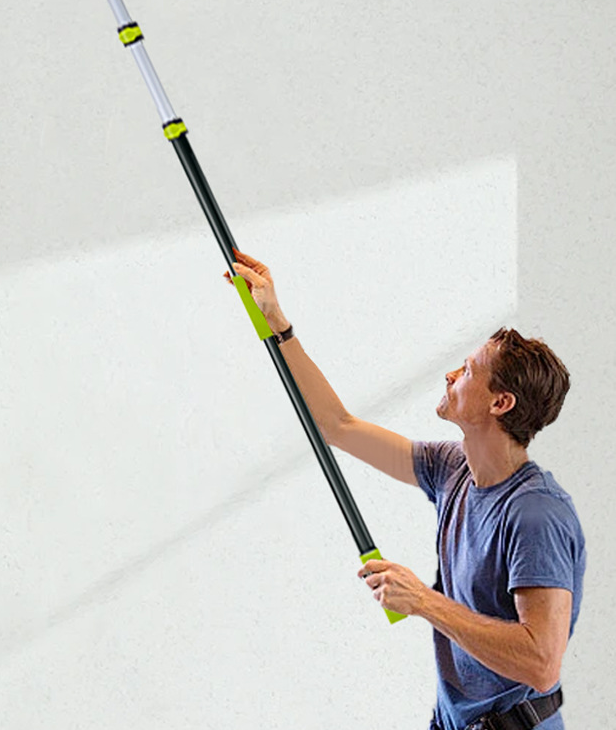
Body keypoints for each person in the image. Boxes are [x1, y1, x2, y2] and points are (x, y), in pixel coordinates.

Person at [223, 248, 586, 730]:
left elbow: (542, 664)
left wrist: (423, 600)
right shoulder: (451, 468)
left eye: (467, 371)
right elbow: (338, 426)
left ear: (500, 403)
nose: (450, 375)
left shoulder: (536, 514)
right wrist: (278, 323)